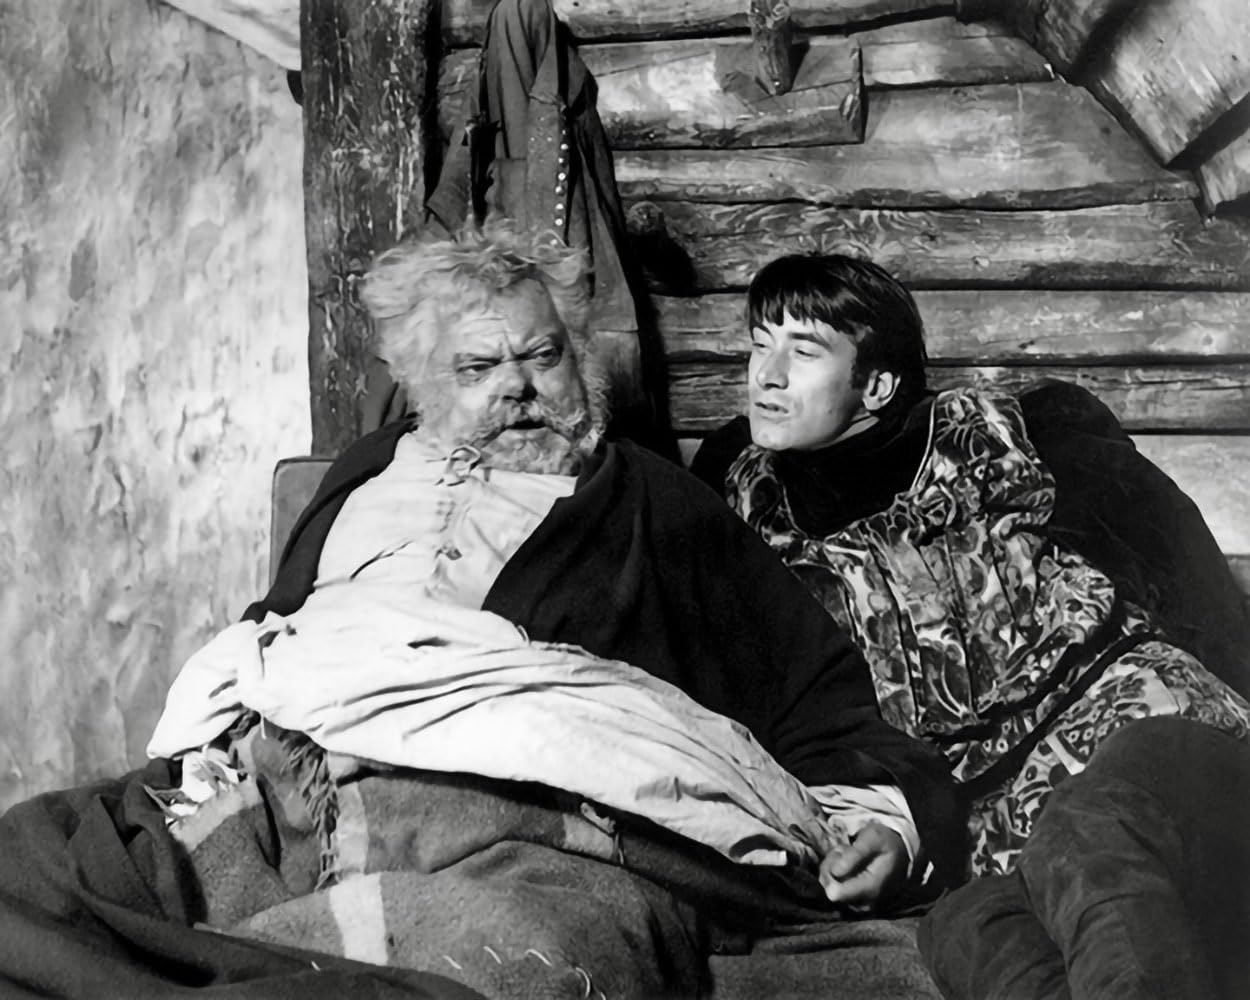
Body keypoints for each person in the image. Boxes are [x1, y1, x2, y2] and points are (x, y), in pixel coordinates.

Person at [0, 226, 965, 1000]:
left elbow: (816, 695)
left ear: (578, 360)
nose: (518, 388)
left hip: (519, 810)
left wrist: (885, 823)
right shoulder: (366, 472)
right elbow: (273, 633)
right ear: (423, 386)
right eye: (477, 369)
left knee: (526, 949)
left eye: (543, 356)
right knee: (34, 859)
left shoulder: (652, 502)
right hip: (293, 769)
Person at [691, 251, 1250, 998]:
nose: (766, 374)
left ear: (878, 385)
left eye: (805, 350)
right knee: (967, 930)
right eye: (759, 345)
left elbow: (1180, 562)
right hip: (979, 813)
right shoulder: (738, 508)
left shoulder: (1005, 434)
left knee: (1087, 837)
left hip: (1132, 728)